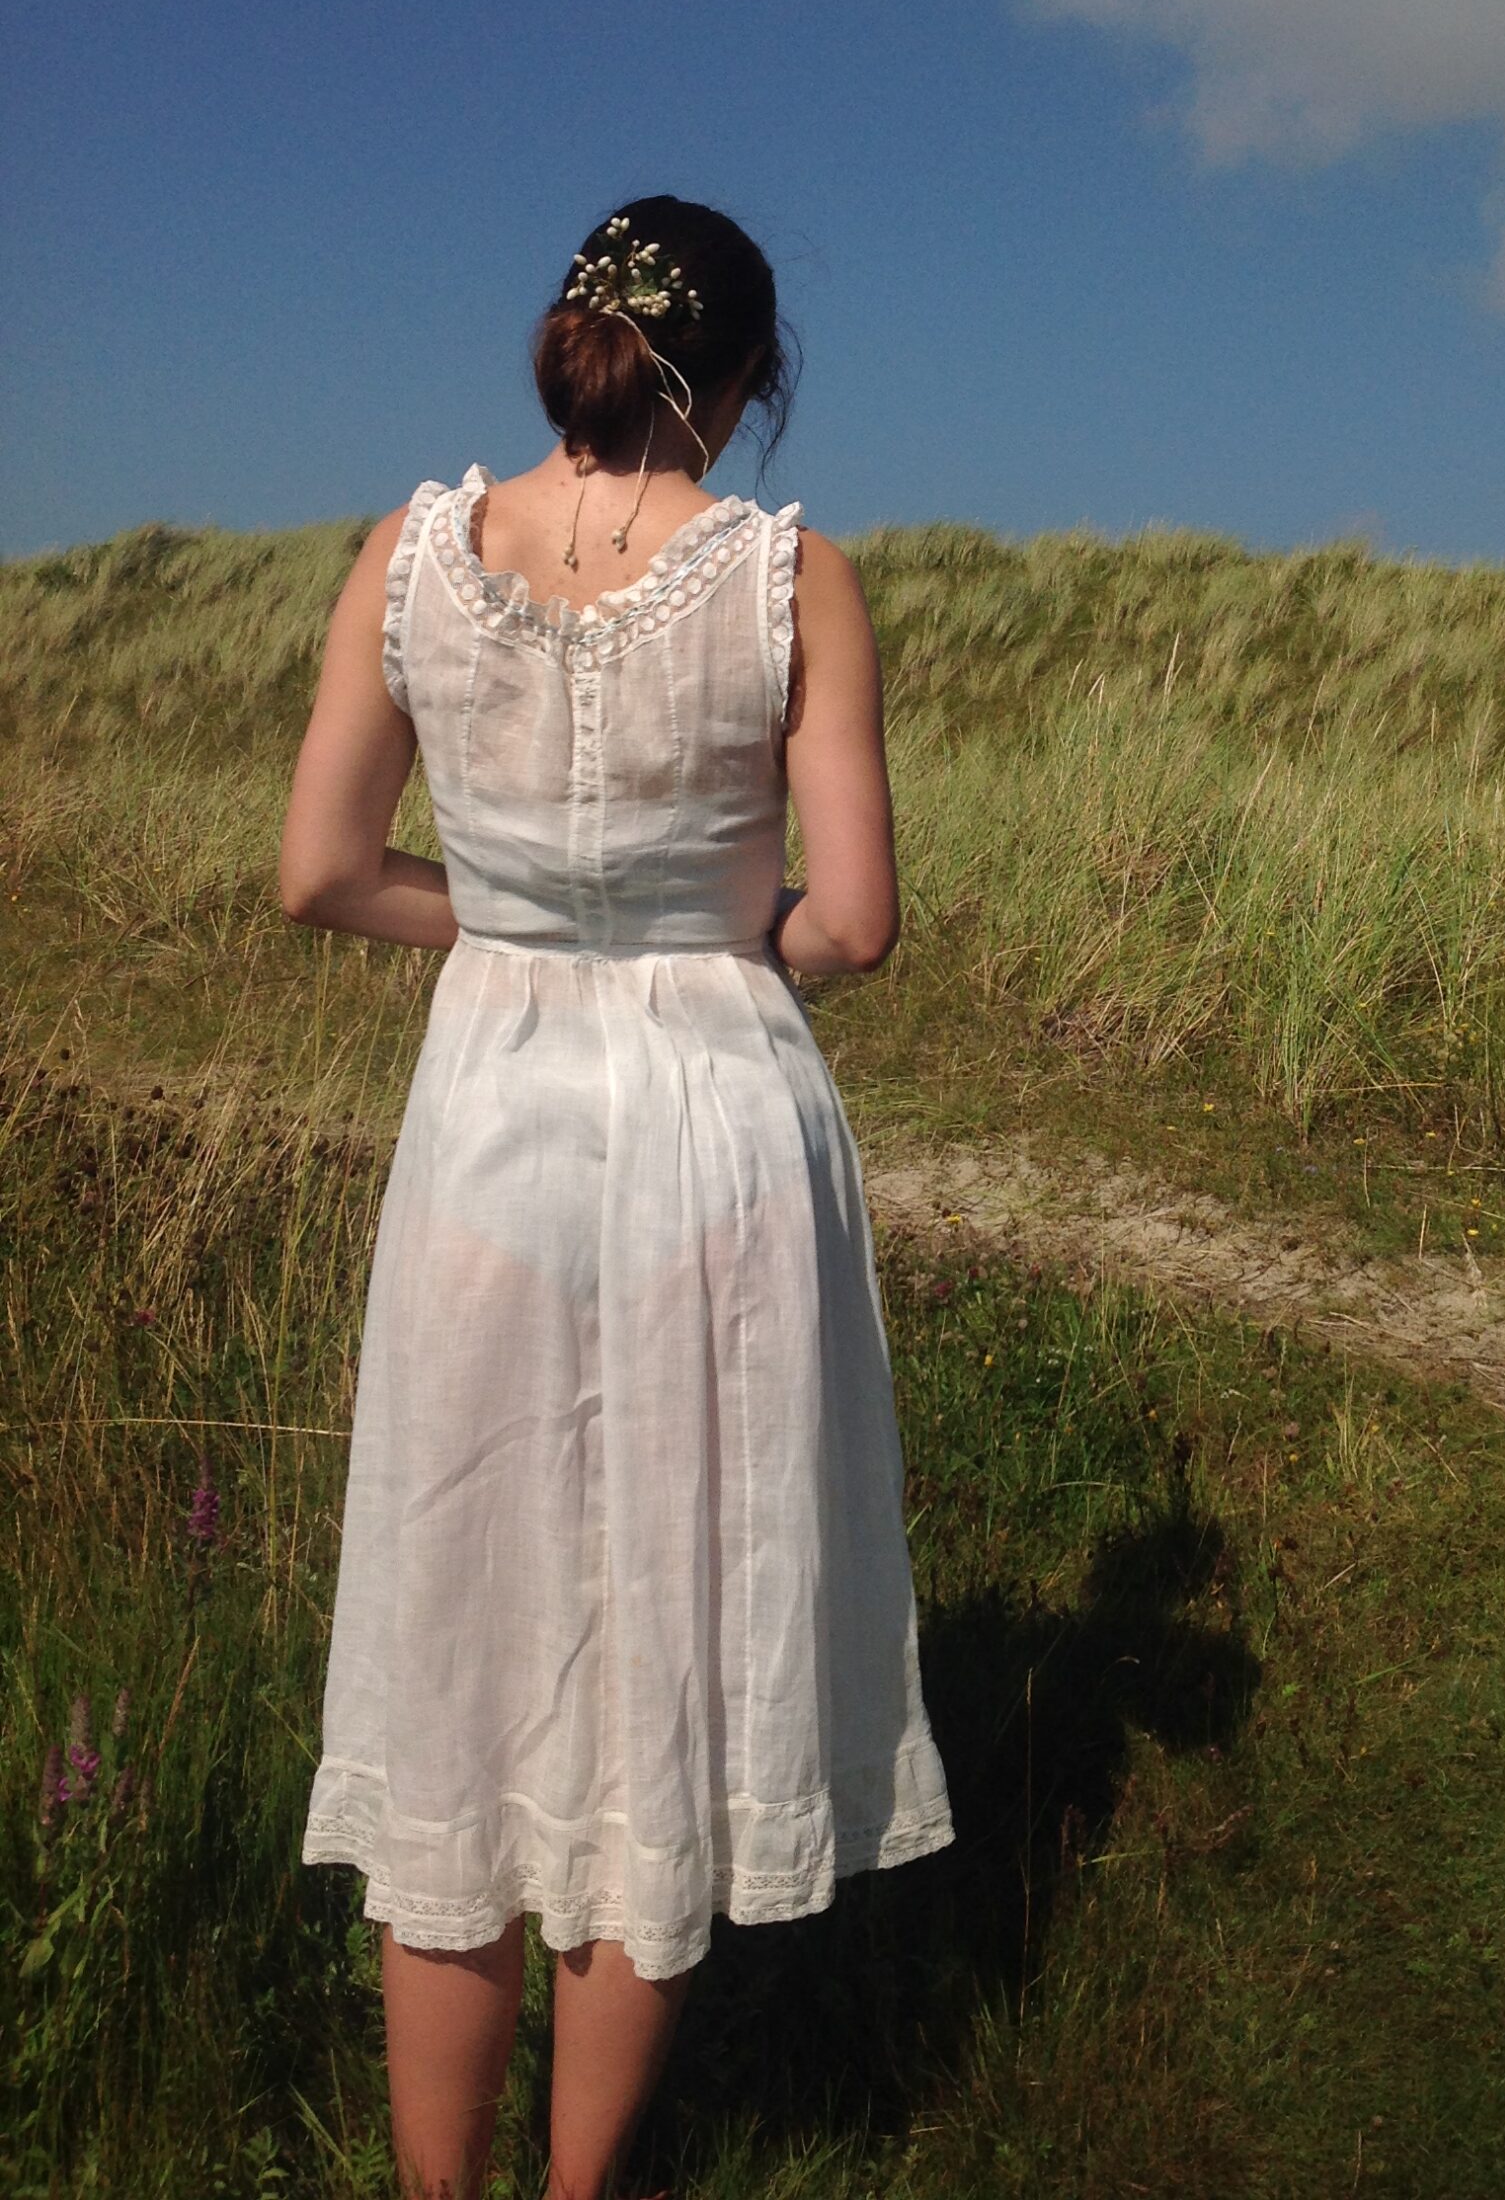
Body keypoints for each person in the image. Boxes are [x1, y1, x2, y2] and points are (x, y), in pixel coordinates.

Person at [278, 195, 955, 2200]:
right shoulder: (789, 578)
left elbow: (318, 869)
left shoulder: (408, 560)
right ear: (745, 382)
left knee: (459, 1653)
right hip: (713, 1137)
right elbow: (859, 919)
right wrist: (714, 931)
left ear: (567, 340)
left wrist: (495, 920)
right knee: (658, 1657)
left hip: (490, 1122)